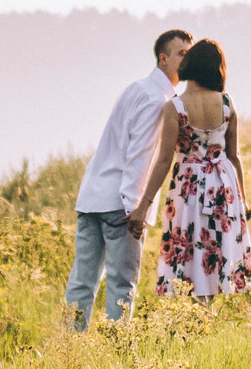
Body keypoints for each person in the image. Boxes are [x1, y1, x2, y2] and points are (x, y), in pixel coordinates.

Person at [66, 28, 193, 328]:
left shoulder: (135, 88)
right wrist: (136, 208)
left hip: (92, 198)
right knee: (122, 288)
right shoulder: (157, 100)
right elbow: (140, 155)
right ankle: (116, 353)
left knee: (81, 283)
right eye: (181, 54)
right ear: (164, 59)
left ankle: (68, 346)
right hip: (121, 206)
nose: (187, 60)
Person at [132, 37, 251, 298]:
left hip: (189, 190)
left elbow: (165, 161)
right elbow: (234, 156)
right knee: (217, 252)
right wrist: (243, 200)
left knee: (193, 252)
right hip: (224, 188)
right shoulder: (227, 103)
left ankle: (199, 314)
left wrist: (143, 204)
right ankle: (207, 311)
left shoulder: (175, 107)